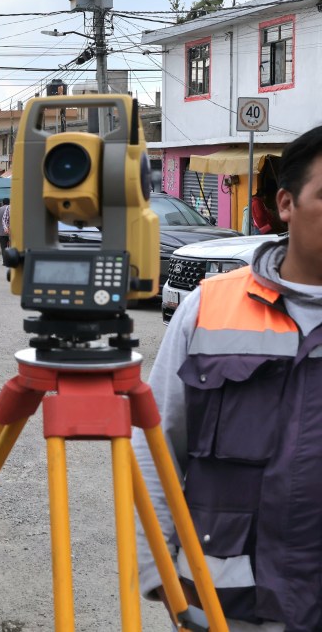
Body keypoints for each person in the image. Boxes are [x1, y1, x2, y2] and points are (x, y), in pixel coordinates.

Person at [133, 126, 322, 631]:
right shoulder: (210, 307)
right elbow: (157, 444)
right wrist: (157, 573)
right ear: (286, 203)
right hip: (225, 607)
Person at [0, 198, 11, 264]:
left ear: (2, 202)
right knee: (11, 246)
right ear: (9, 202)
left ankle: (5, 261)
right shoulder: (12, 208)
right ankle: (10, 259)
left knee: (3, 247)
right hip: (11, 231)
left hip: (1, 232)